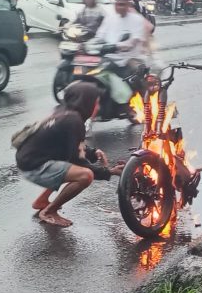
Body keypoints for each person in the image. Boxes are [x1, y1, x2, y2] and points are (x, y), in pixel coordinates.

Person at [16, 82, 124, 227]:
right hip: (33, 167)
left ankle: (41, 201)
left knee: (69, 167)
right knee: (85, 175)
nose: (98, 107)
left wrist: (93, 153)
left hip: (28, 160)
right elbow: (77, 161)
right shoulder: (74, 121)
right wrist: (109, 172)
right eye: (96, 103)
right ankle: (49, 211)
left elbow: (72, 145)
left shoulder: (64, 113)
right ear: (86, 101)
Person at [93, 0, 149, 106]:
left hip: (130, 57)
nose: (120, 7)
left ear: (128, 5)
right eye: (118, 4)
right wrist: (86, 44)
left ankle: (142, 105)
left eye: (123, 4)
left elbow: (134, 40)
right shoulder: (109, 18)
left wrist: (121, 46)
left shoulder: (137, 19)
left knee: (136, 76)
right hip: (109, 57)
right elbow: (99, 36)